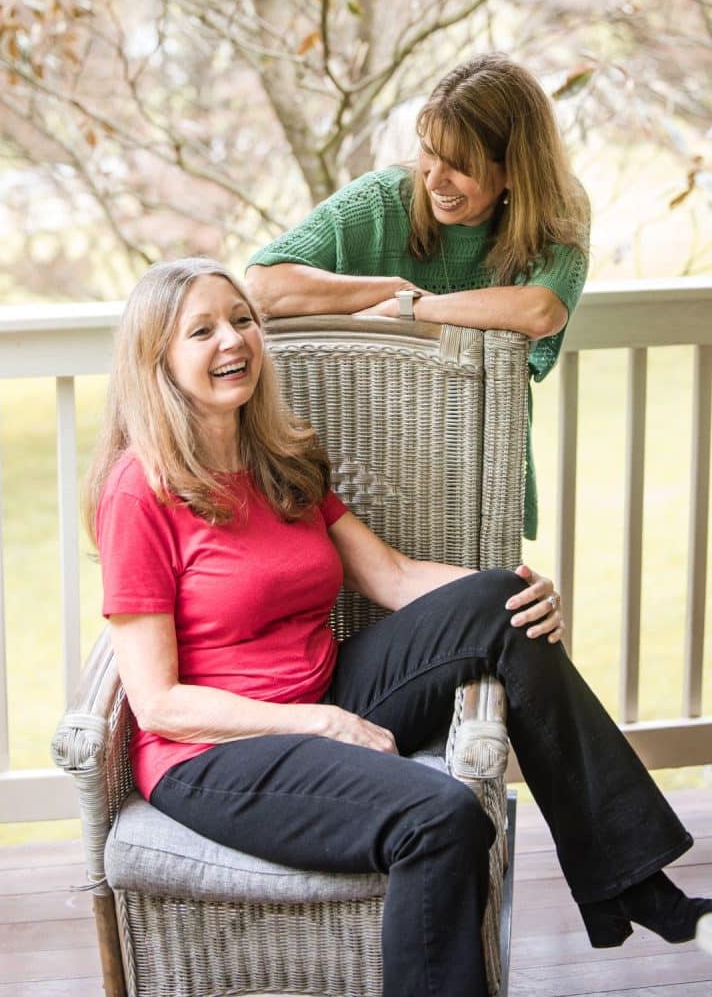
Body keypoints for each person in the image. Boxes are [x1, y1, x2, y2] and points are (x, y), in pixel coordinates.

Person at [85, 257, 710, 997]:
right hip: (214, 754)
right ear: (158, 361)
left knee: (500, 606)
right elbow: (156, 703)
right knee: (441, 815)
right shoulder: (140, 491)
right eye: (203, 330)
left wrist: (521, 588)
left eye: (243, 319)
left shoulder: (282, 456)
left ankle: (629, 881)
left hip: (326, 685)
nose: (235, 341)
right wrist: (319, 725)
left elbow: (391, 576)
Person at [246, 53, 591, 539]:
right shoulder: (382, 200)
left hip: (480, 479)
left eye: (460, 166)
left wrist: (414, 309)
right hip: (357, 470)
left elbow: (540, 309)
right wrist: (390, 289)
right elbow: (262, 286)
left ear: (514, 169)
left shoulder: (555, 211)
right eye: (429, 151)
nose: (433, 179)